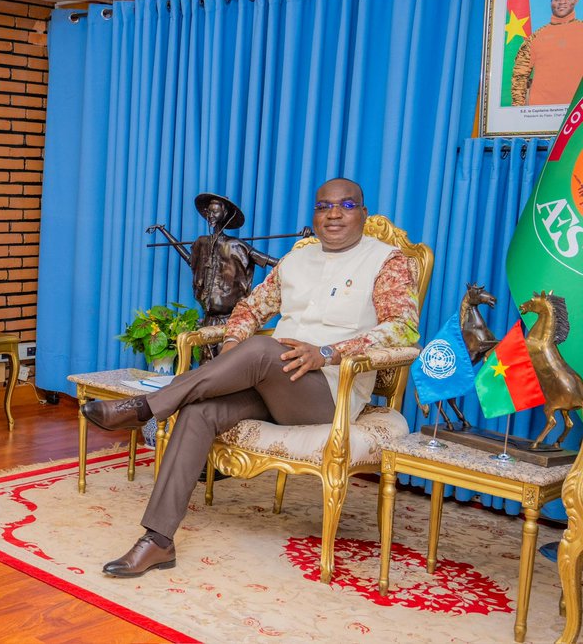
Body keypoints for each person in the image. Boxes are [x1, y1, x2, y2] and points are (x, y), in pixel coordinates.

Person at [81, 178, 420, 578]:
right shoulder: (297, 259)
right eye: (324, 206)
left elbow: (403, 329)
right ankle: (158, 541)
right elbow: (249, 309)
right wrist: (231, 353)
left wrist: (328, 352)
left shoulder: (388, 261)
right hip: (274, 383)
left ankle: (145, 407)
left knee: (262, 349)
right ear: (314, 213)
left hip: (329, 390)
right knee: (200, 412)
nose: (333, 213)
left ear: (362, 213)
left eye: (346, 205)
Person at [183, 193, 277, 360]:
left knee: (227, 369)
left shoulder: (237, 246)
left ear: (225, 214)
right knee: (205, 368)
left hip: (232, 322)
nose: (211, 216)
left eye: (215, 212)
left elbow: (277, 264)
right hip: (207, 320)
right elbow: (192, 262)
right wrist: (164, 232)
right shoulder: (200, 244)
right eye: (209, 212)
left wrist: (304, 242)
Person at [511, 0, 583, 106]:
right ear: (551, 2)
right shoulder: (535, 38)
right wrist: (519, 113)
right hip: (540, 116)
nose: (562, 2)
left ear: (576, 0)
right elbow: (519, 77)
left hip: (576, 118)